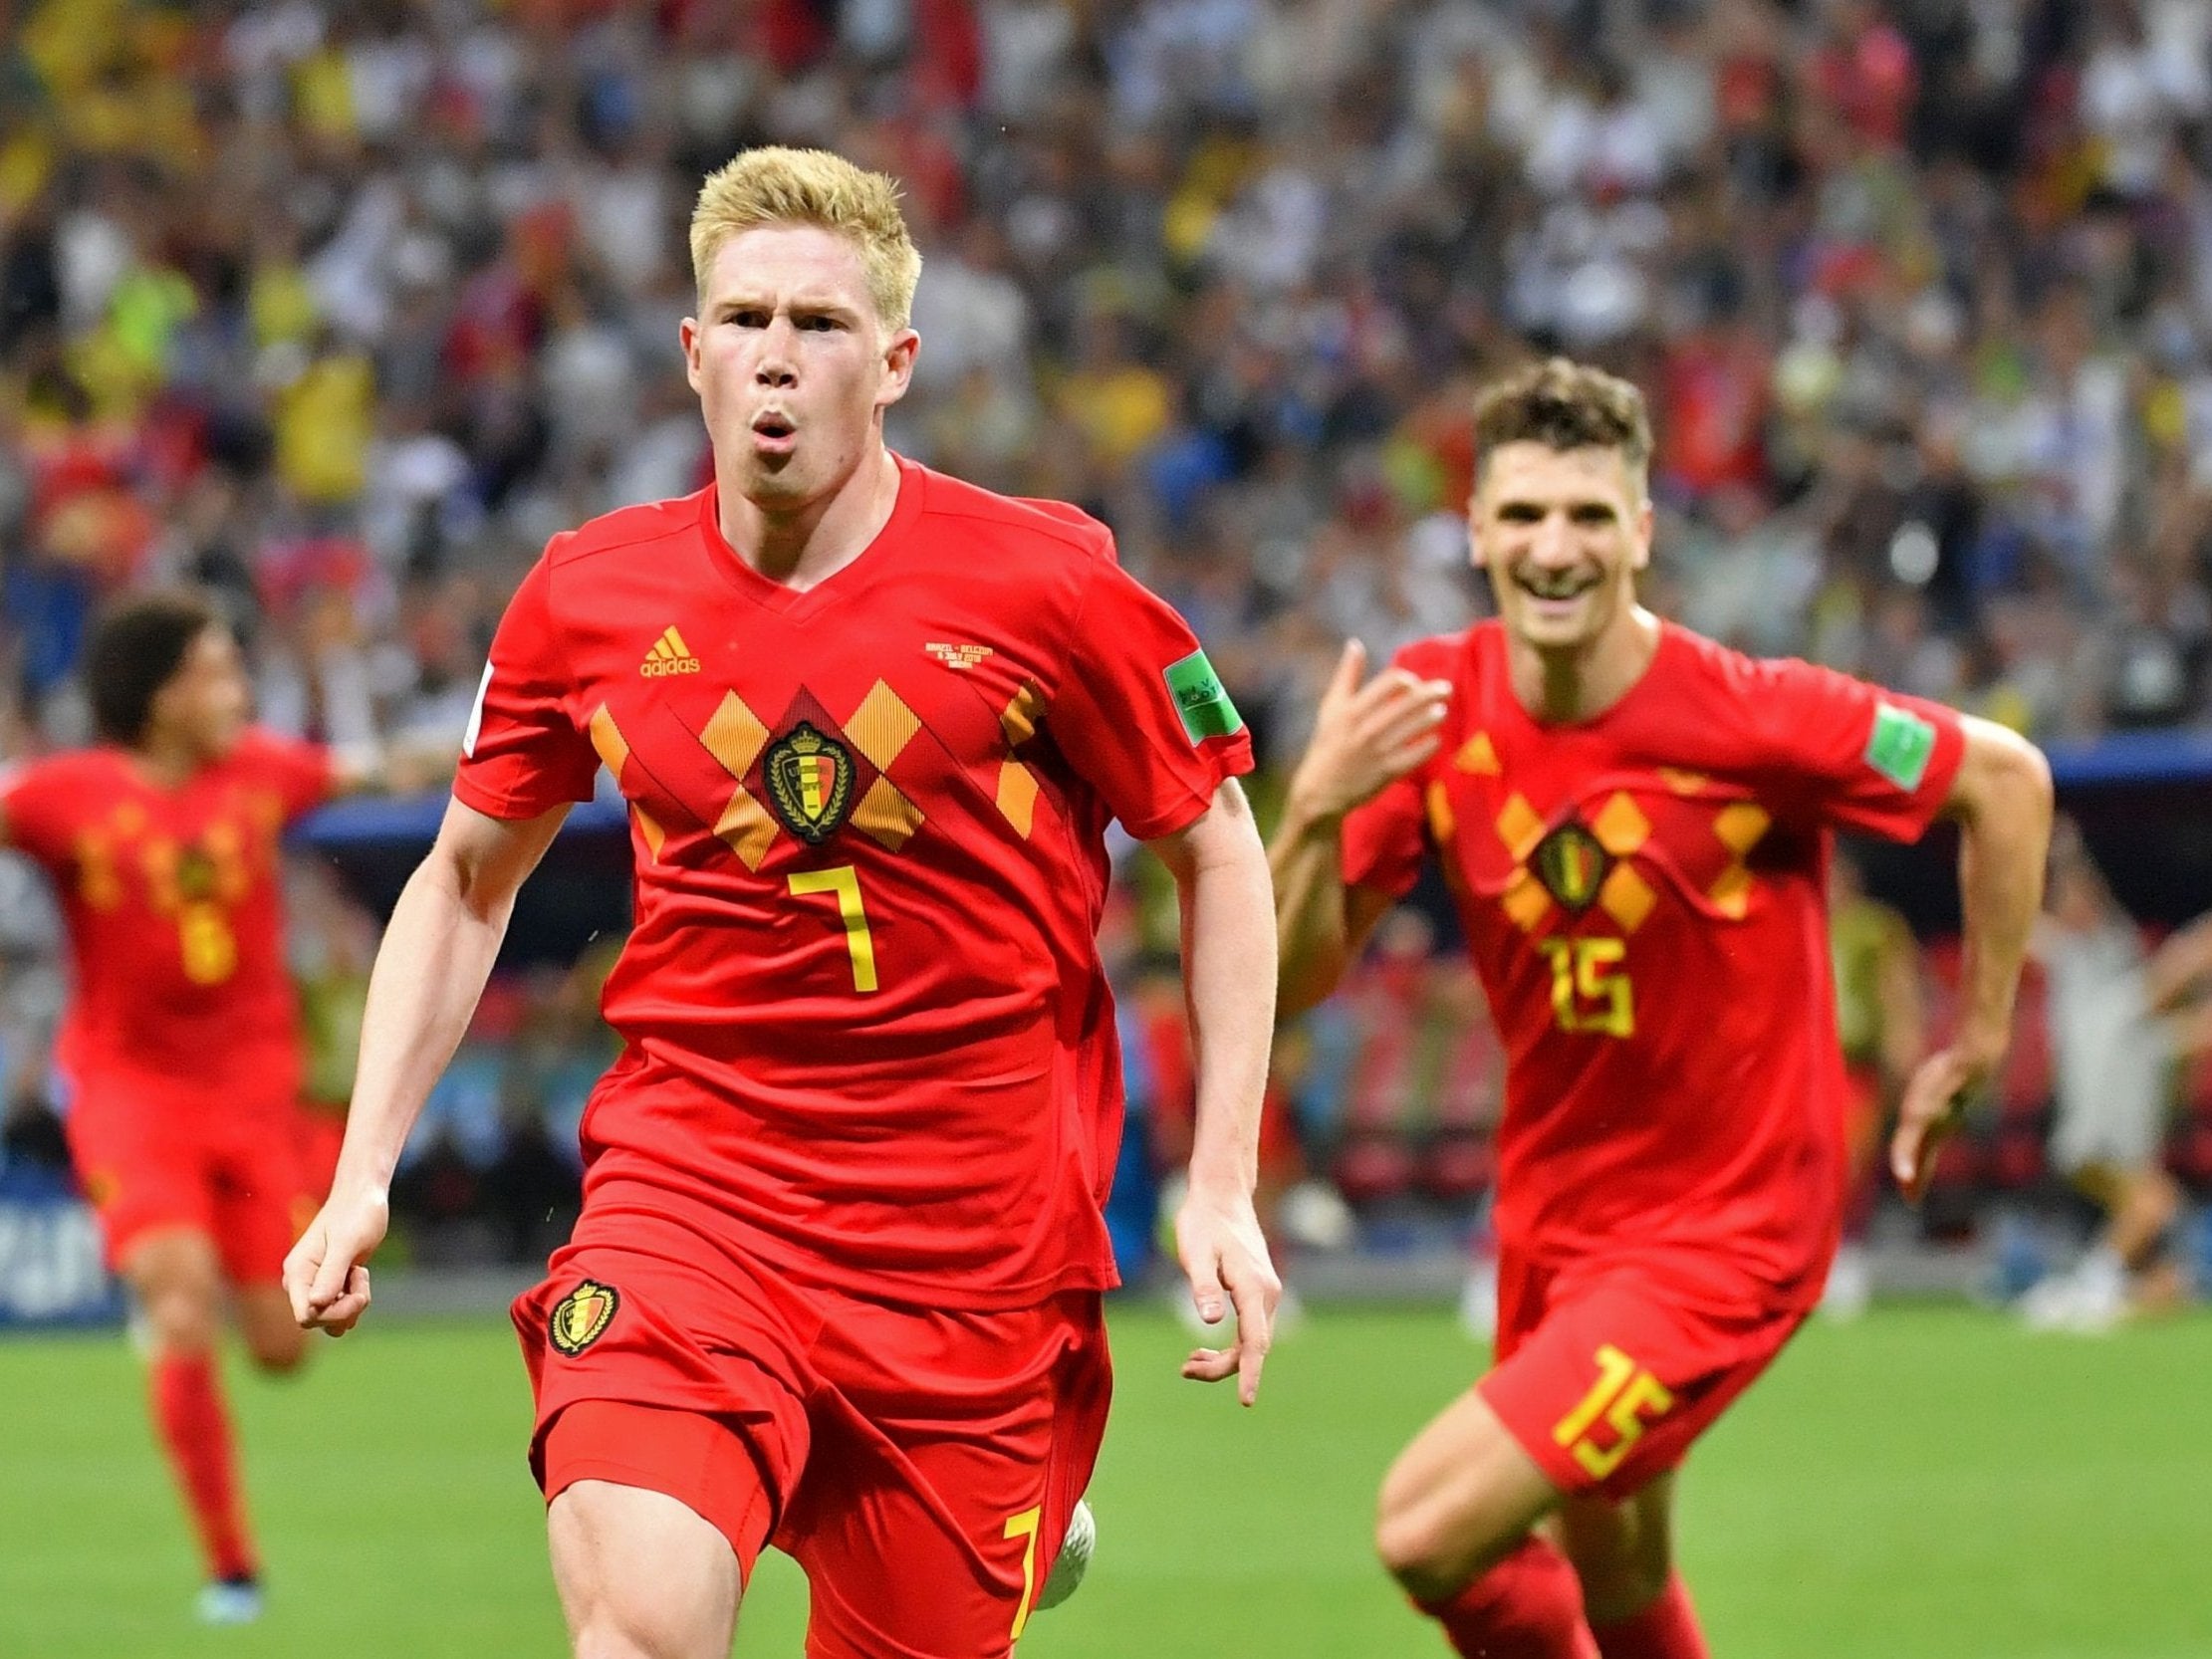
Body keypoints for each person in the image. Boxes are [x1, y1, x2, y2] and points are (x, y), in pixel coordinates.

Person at [285, 146, 1280, 1659]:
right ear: (693, 354)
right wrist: (363, 1168)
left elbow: (1218, 849)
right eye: (744, 318)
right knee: (645, 1626)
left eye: (820, 325)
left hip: (972, 1251)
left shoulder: (1047, 585)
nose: (776, 355)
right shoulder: (584, 598)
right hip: (695, 1194)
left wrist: (1218, 1182)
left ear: (895, 364)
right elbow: (464, 878)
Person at [1271, 358, 2051, 1659]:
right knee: (1615, 1555)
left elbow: (2005, 780)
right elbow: (1295, 976)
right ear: (1474, 532)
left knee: (1428, 1527)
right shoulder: (1432, 705)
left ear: (1640, 531)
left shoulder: (1750, 716)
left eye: (1587, 515)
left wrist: (1975, 1035)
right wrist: (1311, 812)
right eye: (1522, 516)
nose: (1553, 547)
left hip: (1726, 1228)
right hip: (1558, 1215)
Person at [0, 591, 345, 1623]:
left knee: (285, 1343)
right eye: (215, 669)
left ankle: (190, 1305)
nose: (237, 687)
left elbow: (396, 772)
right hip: (128, 1089)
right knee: (180, 1291)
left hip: (252, 1095)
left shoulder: (265, 775)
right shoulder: (64, 796)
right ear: (158, 696)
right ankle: (231, 1567)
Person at [2017, 822, 2185, 1331]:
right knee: (2157, 1202)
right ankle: (2093, 1283)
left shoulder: (2115, 949)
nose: (2074, 904)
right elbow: (2020, 921)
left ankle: (2087, 1291)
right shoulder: (2071, 957)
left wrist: (2068, 855)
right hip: (2096, 1121)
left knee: (2169, 1280)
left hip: (2118, 1116)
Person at [1822, 844, 1927, 1317]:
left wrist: (1905, 1051)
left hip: (1854, 1064)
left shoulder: (1873, 928)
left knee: (1850, 1159)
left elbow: (1897, 987)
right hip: (1803, 1065)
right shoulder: (1797, 920)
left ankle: (1848, 1256)